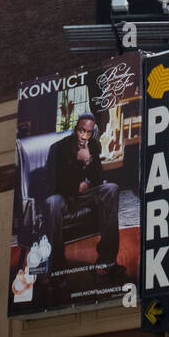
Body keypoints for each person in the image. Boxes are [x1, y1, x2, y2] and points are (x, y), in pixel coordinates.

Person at [43, 114, 125, 279]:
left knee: (111, 189)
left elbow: (98, 178)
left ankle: (107, 261)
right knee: (52, 203)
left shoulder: (94, 145)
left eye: (88, 132)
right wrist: (77, 162)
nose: (84, 136)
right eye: (81, 131)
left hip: (85, 196)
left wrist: (89, 162)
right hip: (63, 196)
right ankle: (57, 266)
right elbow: (52, 183)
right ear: (75, 129)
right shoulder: (58, 148)